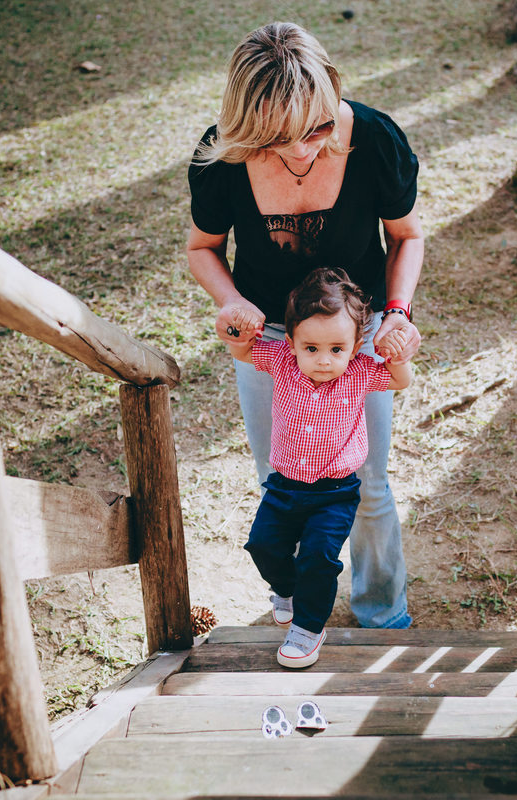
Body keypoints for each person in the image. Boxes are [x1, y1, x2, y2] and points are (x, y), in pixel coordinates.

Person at [187, 21, 424, 629]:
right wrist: (230, 301)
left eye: (318, 128)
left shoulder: (373, 138)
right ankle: (293, 601)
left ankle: (382, 614)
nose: (302, 150)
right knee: (280, 477)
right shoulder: (222, 155)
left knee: (367, 480)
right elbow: (202, 248)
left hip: (357, 334)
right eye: (278, 137)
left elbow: (407, 236)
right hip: (269, 336)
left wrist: (396, 313)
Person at [225, 268, 413, 667]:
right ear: (291, 341)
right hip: (283, 487)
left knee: (318, 558)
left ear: (355, 345)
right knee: (262, 545)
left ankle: (309, 628)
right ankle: (287, 590)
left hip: (335, 493)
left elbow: (401, 381)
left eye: (336, 349)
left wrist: (399, 354)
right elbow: (242, 351)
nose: (324, 361)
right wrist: (237, 328)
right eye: (310, 348)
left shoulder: (361, 372)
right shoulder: (280, 362)